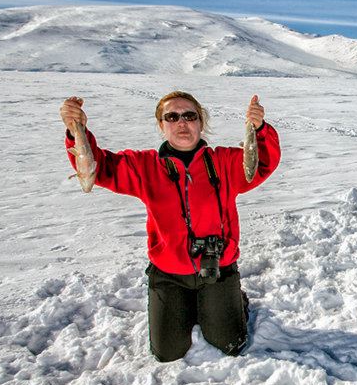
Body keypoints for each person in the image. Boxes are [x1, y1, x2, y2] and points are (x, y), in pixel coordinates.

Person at [60, 91, 281, 362]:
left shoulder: (225, 162)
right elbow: (100, 167)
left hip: (217, 269)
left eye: (190, 115)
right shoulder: (145, 166)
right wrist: (75, 129)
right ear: (161, 125)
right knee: (167, 352)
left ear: (201, 122)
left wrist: (260, 130)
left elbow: (261, 164)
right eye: (172, 117)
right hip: (168, 274)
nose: (181, 123)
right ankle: (187, 304)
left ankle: (235, 299)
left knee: (231, 344)